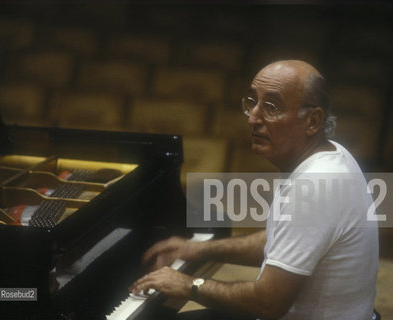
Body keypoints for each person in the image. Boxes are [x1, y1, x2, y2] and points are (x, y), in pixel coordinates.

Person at [129, 60, 379, 320]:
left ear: (313, 121)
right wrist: (200, 250)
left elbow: (268, 304)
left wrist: (187, 284)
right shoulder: (332, 155)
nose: (252, 118)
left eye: (271, 107)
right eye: (253, 102)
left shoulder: (314, 187)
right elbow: (282, 239)